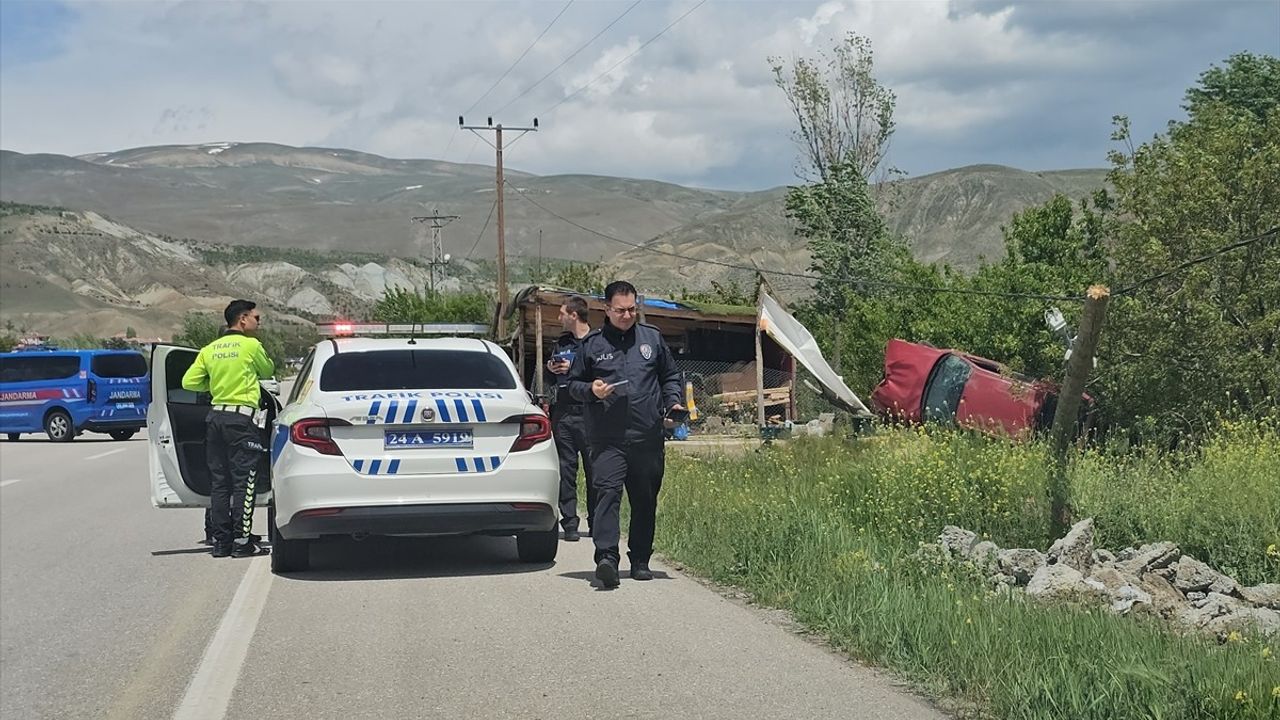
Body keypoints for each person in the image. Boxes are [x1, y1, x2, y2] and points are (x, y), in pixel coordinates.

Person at [569, 281, 684, 588]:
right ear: (606, 309)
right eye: (620, 310)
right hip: (607, 438)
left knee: (645, 500)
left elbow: (670, 375)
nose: (627, 315)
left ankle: (641, 560)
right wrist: (592, 390)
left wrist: (672, 402)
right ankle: (606, 558)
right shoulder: (592, 345)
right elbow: (572, 386)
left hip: (647, 437)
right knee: (607, 495)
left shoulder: (652, 339)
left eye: (632, 309)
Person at [182, 300, 275, 558]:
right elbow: (268, 369)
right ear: (243, 319)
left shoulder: (209, 349)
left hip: (215, 418)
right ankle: (242, 541)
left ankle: (221, 541)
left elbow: (188, 382)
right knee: (244, 482)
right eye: (256, 318)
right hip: (241, 420)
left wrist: (214, 387)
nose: (258, 322)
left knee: (220, 483)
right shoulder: (250, 345)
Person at [545, 295, 596, 542]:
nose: (559, 317)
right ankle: (570, 523)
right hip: (563, 413)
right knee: (566, 469)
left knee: (595, 469)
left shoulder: (598, 342)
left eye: (562, 312)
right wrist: (550, 369)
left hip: (591, 413)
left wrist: (575, 370)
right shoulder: (562, 343)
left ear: (574, 315)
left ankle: (598, 522)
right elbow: (551, 376)